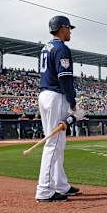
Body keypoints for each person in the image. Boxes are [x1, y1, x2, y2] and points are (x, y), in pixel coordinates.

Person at [35, 15, 81, 203]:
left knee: (57, 143)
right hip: (56, 96)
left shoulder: (46, 47)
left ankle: (61, 185)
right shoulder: (62, 48)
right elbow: (65, 79)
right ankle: (44, 190)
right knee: (53, 144)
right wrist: (73, 103)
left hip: (45, 95)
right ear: (62, 28)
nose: (70, 31)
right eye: (69, 28)